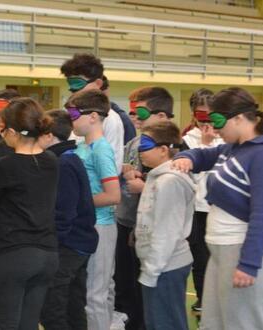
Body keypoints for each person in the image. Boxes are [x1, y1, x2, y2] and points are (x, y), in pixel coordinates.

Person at [173, 87, 263, 329]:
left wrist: (249, 264)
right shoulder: (232, 149)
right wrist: (187, 158)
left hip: (247, 252)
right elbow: (202, 154)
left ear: (239, 118)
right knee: (212, 323)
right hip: (223, 251)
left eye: (218, 121)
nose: (214, 129)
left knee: (243, 325)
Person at [0, 97, 59, 329]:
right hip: (46, 254)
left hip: (12, 255)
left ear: (11, 131)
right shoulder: (51, 161)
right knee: (28, 324)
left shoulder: (3, 166)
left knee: (6, 324)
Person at [115, 86, 174, 330]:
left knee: (149, 291)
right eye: (133, 112)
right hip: (127, 221)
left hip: (152, 230)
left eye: (141, 111)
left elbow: (169, 188)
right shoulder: (134, 142)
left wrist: (144, 185)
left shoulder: (172, 147)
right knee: (126, 285)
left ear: (162, 116)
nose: (136, 117)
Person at [66, 89, 121, 330]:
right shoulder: (81, 147)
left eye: (75, 114)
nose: (72, 120)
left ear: (94, 116)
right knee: (99, 290)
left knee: (95, 294)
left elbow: (113, 195)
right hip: (88, 225)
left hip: (101, 226)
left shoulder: (100, 149)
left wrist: (77, 201)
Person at [39, 109, 99, 330]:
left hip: (68, 245)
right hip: (78, 243)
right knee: (73, 305)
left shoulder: (62, 163)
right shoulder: (68, 158)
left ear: (48, 135)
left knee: (52, 308)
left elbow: (64, 212)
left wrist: (51, 244)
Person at [135, 122, 195, 330]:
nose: (140, 150)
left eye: (145, 145)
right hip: (159, 264)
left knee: (165, 323)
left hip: (166, 265)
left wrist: (152, 270)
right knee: (157, 322)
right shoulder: (157, 177)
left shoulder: (169, 182)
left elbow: (167, 231)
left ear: (163, 150)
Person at [181, 88, 223, 314]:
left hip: (220, 208)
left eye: (210, 115)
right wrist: (205, 145)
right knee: (200, 257)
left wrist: (209, 146)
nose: (206, 121)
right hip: (196, 208)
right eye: (200, 115)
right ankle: (203, 298)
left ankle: (219, 300)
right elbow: (193, 174)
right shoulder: (187, 140)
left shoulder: (226, 137)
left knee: (220, 257)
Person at [60, 53, 125, 174]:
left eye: (79, 84)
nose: (74, 91)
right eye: (71, 86)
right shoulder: (68, 112)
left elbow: (113, 168)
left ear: (98, 84)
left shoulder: (110, 118)